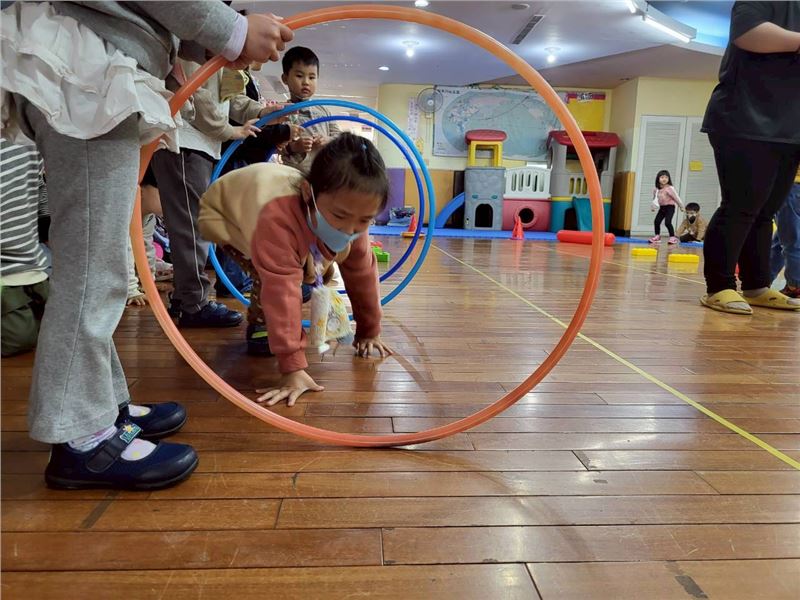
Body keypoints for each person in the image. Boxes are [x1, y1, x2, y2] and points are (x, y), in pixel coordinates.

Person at [0, 0, 293, 490]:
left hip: (96, 60)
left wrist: (210, 42)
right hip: (87, 64)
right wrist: (230, 29)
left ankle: (101, 407)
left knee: (101, 263)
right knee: (93, 267)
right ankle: (81, 436)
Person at [199, 133, 393, 406]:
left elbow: (363, 276)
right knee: (272, 273)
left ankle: (304, 277)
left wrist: (369, 329)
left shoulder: (351, 218)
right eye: (339, 216)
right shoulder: (276, 219)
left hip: (285, 210)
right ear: (307, 193)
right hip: (227, 215)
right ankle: (260, 325)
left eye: (365, 220)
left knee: (309, 270)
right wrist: (292, 368)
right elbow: (281, 290)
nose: (349, 229)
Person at [700, 1, 800, 314]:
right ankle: (719, 285)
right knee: (741, 206)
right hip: (744, 120)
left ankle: (757, 286)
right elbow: (748, 33)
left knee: (766, 211)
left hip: (790, 128)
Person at [1, 139, 50, 357]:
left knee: (58, 322)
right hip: (6, 267)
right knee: (19, 337)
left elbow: (39, 184)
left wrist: (47, 225)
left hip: (30, 260)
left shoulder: (28, 141)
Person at [279, 46, 341, 174]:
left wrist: (327, 140)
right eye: (299, 76)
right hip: (294, 175)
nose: (306, 82)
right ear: (285, 78)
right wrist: (294, 147)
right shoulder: (280, 113)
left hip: (325, 173)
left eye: (312, 77)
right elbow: (273, 145)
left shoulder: (324, 111)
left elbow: (339, 137)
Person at [770, 167, 800, 298]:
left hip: (791, 184)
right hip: (792, 186)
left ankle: (795, 286)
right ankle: (762, 281)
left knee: (791, 239)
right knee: (780, 240)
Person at [649, 170, 685, 244]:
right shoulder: (656, 189)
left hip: (670, 207)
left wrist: (681, 206)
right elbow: (655, 198)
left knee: (667, 222)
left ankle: (672, 237)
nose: (664, 179)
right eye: (662, 177)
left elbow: (676, 197)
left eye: (666, 177)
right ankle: (657, 236)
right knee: (657, 221)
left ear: (668, 179)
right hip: (662, 208)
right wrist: (653, 207)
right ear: (658, 178)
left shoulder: (669, 188)